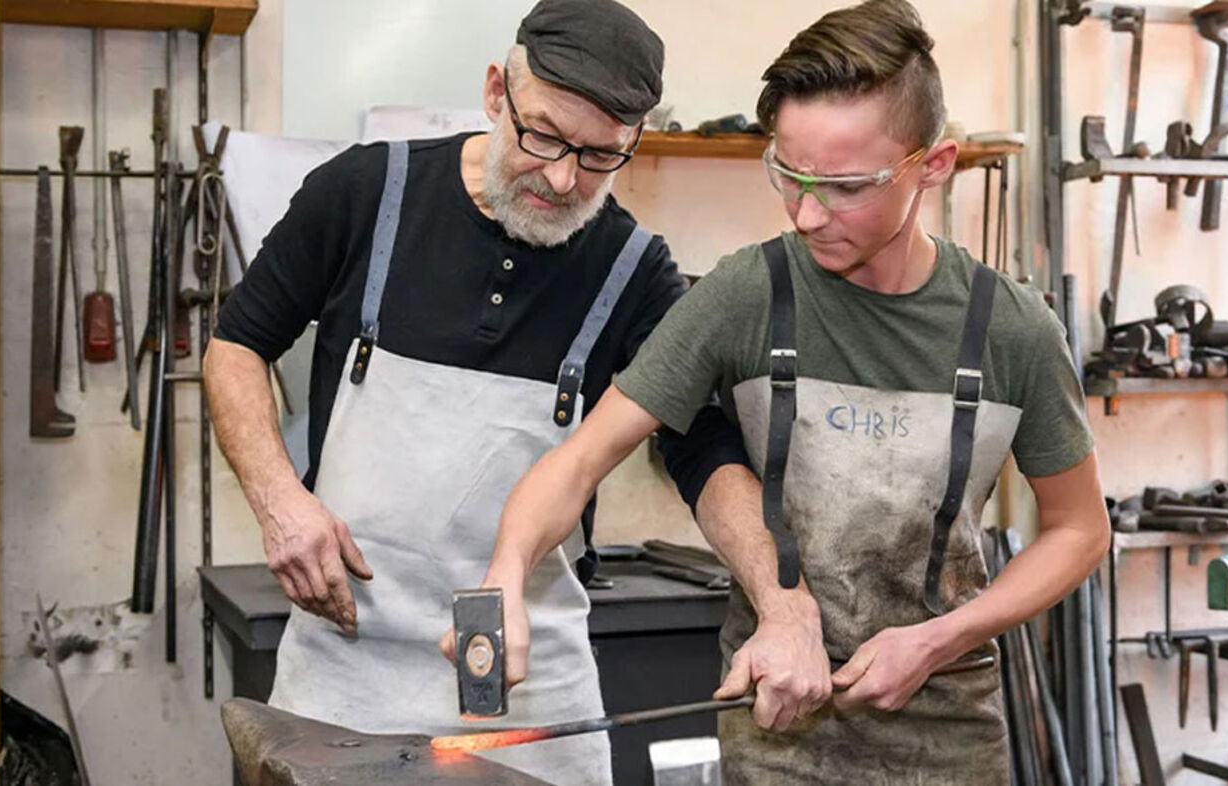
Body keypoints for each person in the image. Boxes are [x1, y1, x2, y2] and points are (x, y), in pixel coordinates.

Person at [443, 1, 1112, 782]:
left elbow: (1078, 530)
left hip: (950, 739)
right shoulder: (748, 295)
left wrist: (941, 638)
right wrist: (506, 572)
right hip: (775, 734)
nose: (805, 212)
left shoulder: (1012, 329)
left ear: (933, 166)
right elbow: (583, 458)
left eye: (843, 185)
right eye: (788, 176)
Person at [204, 2, 756, 783]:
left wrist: (780, 600)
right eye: (544, 137)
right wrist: (278, 500)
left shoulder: (635, 272)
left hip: (534, 695)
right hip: (345, 676)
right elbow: (236, 345)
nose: (565, 179)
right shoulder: (363, 194)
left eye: (601, 156)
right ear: (497, 91)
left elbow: (703, 449)